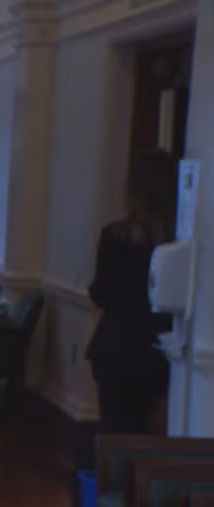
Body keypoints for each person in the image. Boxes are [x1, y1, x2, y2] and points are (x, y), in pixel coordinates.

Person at [87, 148, 179, 436]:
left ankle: (112, 481)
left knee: (114, 432)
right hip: (158, 349)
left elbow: (101, 293)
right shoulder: (178, 246)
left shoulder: (114, 235)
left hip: (115, 345)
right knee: (152, 436)